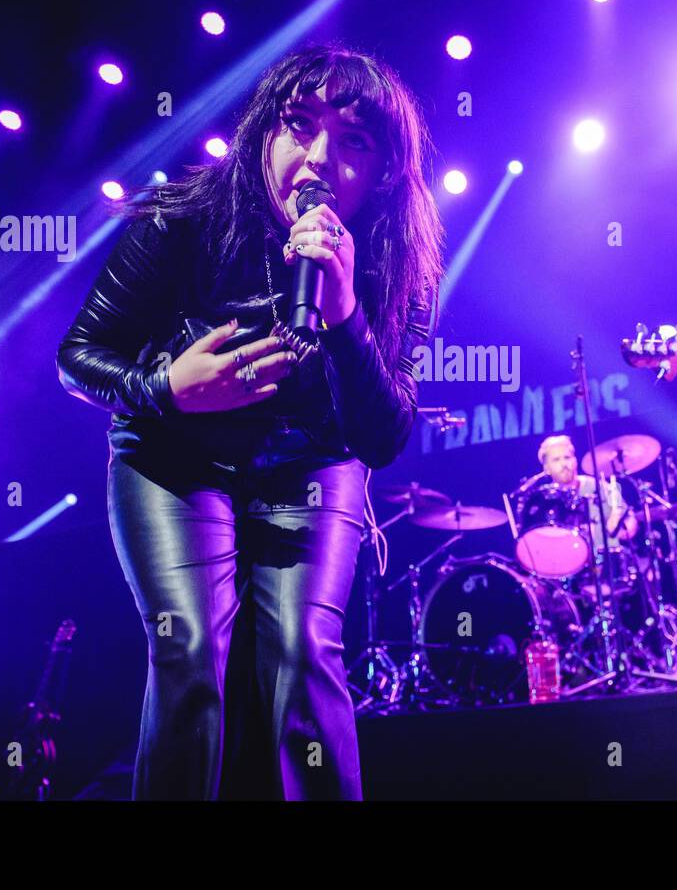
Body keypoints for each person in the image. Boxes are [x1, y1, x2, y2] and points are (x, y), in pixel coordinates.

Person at [55, 42, 444, 800]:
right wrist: (165, 386)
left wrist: (346, 317)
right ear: (265, 130)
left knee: (303, 652)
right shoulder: (186, 217)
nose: (319, 158)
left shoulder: (399, 263)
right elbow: (78, 356)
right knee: (189, 649)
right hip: (173, 456)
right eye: (299, 125)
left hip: (311, 461)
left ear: (386, 169)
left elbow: (385, 435)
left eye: (354, 140)